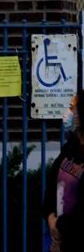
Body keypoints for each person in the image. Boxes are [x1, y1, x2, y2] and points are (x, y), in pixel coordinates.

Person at [44, 93, 84, 252]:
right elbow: (53, 183)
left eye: (72, 107)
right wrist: (50, 217)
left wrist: (60, 226)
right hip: (59, 238)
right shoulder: (71, 147)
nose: (68, 112)